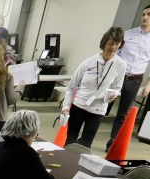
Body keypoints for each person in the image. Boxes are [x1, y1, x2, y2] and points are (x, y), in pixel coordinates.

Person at [62, 27, 127, 149]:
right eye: (111, 43)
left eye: (117, 44)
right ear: (104, 43)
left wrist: (114, 94)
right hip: (79, 106)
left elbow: (118, 87)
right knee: (70, 142)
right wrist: (66, 106)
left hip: (98, 110)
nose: (113, 47)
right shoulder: (88, 62)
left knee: (85, 145)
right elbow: (71, 87)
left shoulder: (121, 65)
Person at [107, 6, 150, 151]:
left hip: (135, 80)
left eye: (149, 15)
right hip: (117, 77)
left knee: (123, 114)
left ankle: (112, 143)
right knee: (103, 107)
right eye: (144, 14)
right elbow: (114, 54)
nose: (145, 17)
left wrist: (149, 85)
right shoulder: (127, 34)